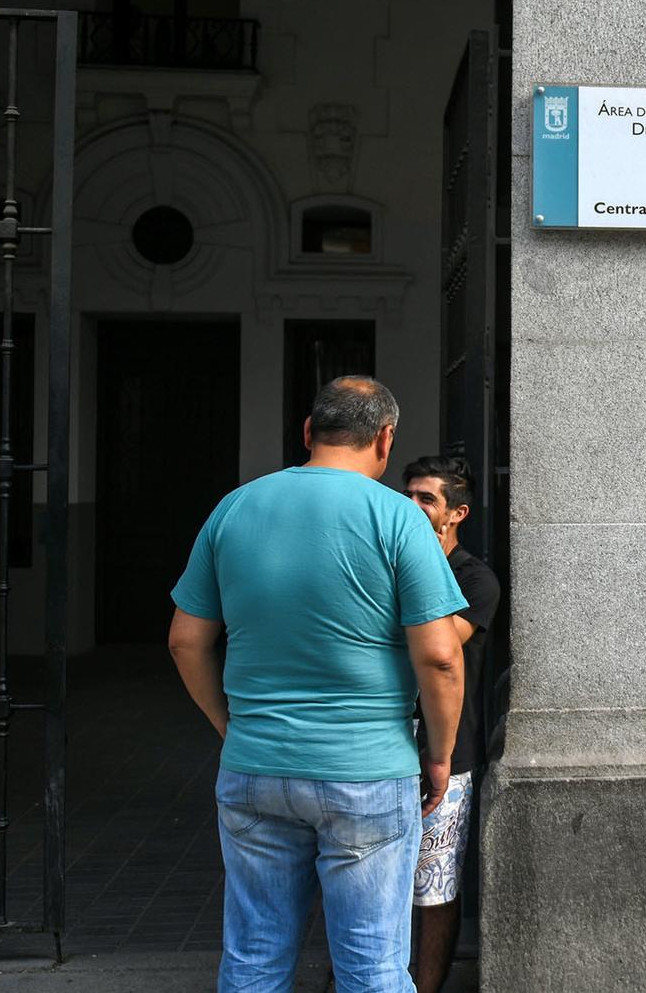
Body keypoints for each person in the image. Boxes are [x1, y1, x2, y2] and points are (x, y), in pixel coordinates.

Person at [167, 376, 467, 993]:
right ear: (386, 439)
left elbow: (185, 641)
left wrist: (232, 726)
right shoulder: (397, 518)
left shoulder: (235, 507)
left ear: (307, 433)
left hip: (255, 763)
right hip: (367, 770)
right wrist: (437, 757)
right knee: (372, 967)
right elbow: (440, 658)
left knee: (253, 958)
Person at [398, 455, 501, 993]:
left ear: (457, 512)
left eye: (427, 499)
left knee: (435, 887)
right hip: (384, 741)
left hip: (451, 753)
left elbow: (437, 648)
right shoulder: (392, 560)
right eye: (408, 495)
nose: (413, 507)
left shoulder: (476, 580)